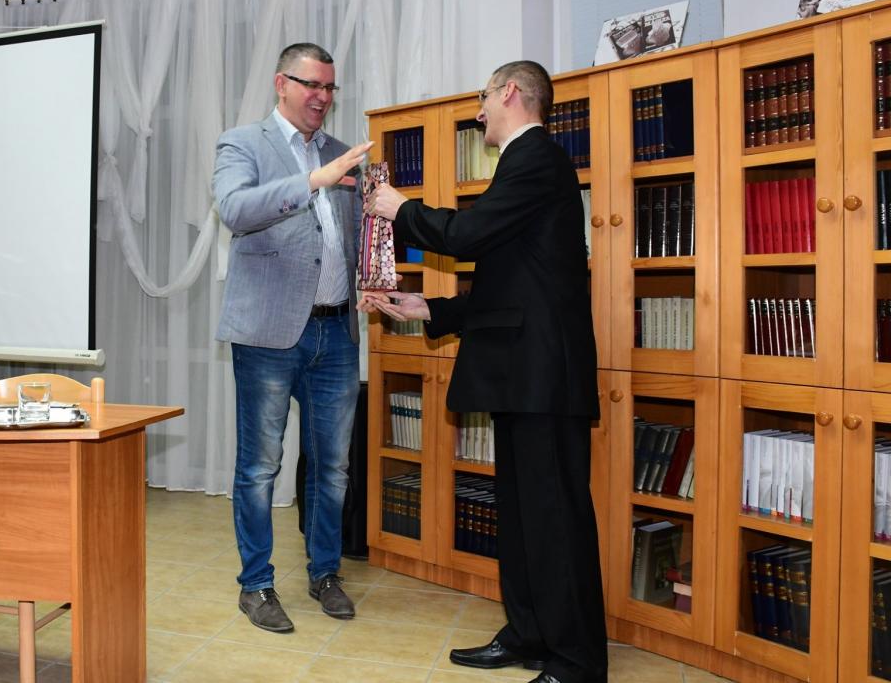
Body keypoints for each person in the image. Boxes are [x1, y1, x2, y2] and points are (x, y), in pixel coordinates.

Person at [359, 61, 607, 683]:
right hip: (523, 375)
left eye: (483, 98)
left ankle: (577, 662)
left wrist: (400, 208)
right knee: (523, 518)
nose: (478, 113)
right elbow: (509, 284)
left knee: (554, 521)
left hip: (544, 379)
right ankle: (529, 635)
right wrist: (431, 308)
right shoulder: (523, 165)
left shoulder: (537, 158)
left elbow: (467, 235)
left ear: (510, 93)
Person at [213, 42, 370, 633]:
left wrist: (371, 281)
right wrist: (311, 180)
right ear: (282, 84)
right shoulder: (242, 143)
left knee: (332, 466)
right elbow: (235, 209)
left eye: (330, 88)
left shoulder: (339, 151)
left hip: (337, 331)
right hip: (268, 333)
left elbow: (351, 236)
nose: (323, 98)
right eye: (312, 86)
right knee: (260, 466)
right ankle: (255, 585)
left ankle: (325, 573)